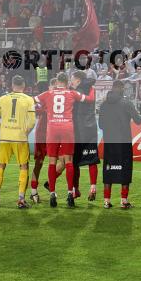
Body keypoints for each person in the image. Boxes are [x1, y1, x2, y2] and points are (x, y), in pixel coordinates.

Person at [34, 72, 93, 208]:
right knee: (68, 162)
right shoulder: (72, 93)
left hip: (52, 129)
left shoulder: (48, 93)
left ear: (57, 82)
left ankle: (52, 194)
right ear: (67, 82)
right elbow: (89, 99)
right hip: (67, 128)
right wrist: (92, 89)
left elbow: (33, 100)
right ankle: (69, 194)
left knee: (52, 162)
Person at [0, 74, 34, 208]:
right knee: (24, 166)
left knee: (0, 165)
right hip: (20, 138)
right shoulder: (28, 99)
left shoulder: (3, 98)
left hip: (5, 137)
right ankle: (21, 199)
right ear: (24, 86)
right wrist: (24, 132)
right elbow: (32, 121)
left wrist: (2, 129)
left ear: (12, 85)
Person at [98, 80, 141, 209]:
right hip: (123, 142)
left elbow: (100, 125)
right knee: (125, 170)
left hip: (109, 141)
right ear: (121, 88)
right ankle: (123, 200)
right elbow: (138, 121)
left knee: (108, 170)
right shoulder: (126, 103)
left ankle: (106, 200)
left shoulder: (104, 104)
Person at [71, 70, 99, 201]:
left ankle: (75, 190)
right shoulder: (92, 88)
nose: (71, 82)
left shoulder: (74, 92)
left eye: (73, 79)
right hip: (91, 127)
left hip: (78, 129)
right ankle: (93, 186)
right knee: (92, 158)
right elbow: (92, 100)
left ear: (78, 80)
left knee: (75, 161)